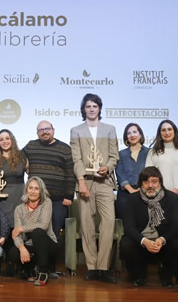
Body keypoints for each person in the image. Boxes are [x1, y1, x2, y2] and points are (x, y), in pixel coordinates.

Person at [70, 93, 119, 284]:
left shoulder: (109, 129)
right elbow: (76, 158)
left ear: (99, 108)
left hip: (105, 181)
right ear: (83, 109)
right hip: (85, 182)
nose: (91, 109)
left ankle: (103, 267)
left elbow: (114, 156)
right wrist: (81, 181)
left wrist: (108, 166)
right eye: (88, 106)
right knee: (87, 225)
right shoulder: (76, 130)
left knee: (108, 223)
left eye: (95, 106)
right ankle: (91, 267)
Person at [145, 119, 178, 284]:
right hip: (159, 199)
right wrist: (161, 192)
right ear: (160, 133)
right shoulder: (154, 152)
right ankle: (165, 270)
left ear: (174, 131)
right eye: (163, 130)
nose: (166, 132)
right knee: (162, 236)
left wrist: (176, 189)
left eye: (169, 129)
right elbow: (148, 174)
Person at [120, 166, 178, 287]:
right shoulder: (132, 199)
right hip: (141, 241)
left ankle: (166, 277)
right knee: (126, 244)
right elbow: (128, 227)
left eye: (154, 181)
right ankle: (139, 276)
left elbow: (175, 226)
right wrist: (144, 241)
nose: (150, 185)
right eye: (146, 182)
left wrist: (161, 240)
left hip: (161, 241)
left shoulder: (171, 198)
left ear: (160, 183)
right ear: (141, 184)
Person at [22, 120, 75, 267]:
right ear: (37, 133)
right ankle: (37, 267)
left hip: (58, 200)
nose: (44, 132)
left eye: (47, 129)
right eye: (41, 130)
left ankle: (50, 268)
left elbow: (71, 173)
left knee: (54, 234)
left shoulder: (65, 148)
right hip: (35, 200)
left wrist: (69, 195)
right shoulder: (31, 146)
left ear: (53, 130)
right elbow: (15, 156)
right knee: (35, 233)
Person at [8, 177, 58, 286]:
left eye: (36, 188)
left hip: (48, 243)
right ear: (26, 190)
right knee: (13, 252)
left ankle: (43, 271)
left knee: (37, 232)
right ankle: (31, 269)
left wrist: (22, 228)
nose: (33, 191)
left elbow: (44, 225)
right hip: (30, 245)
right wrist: (22, 248)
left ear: (41, 191)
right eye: (30, 188)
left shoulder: (46, 203)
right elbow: (16, 234)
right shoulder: (19, 209)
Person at [0, 129, 28, 228]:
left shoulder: (21, 156)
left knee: (18, 228)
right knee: (2, 227)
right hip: (2, 200)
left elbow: (31, 174)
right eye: (1, 140)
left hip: (19, 198)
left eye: (7, 138)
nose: (5, 141)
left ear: (12, 140)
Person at [115, 123, 149, 219]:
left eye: (134, 132)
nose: (132, 135)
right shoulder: (121, 154)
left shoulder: (149, 152)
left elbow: (151, 173)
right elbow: (119, 174)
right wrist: (131, 190)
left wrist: (142, 189)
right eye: (129, 133)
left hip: (145, 192)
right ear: (126, 137)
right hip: (125, 194)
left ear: (140, 134)